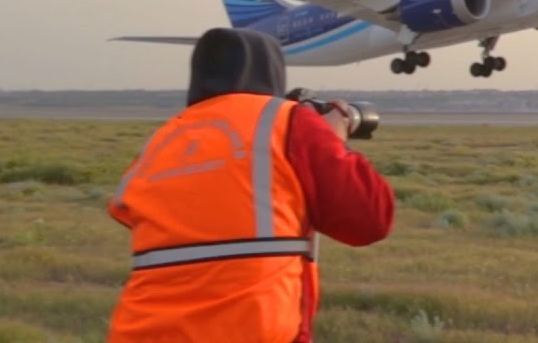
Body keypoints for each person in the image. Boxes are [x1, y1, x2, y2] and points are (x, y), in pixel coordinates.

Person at [106, 27, 396, 342]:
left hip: (140, 331)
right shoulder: (285, 120)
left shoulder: (167, 136)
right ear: (271, 73)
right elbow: (370, 220)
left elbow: (130, 212)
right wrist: (332, 138)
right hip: (247, 330)